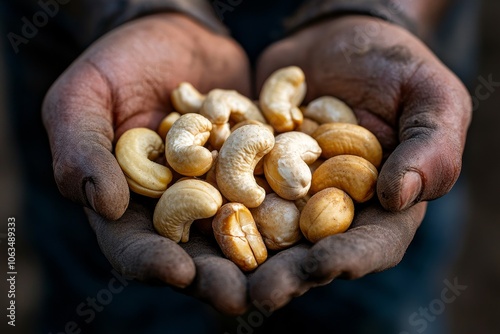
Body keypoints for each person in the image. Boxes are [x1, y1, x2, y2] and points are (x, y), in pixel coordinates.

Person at [1, 0, 476, 333]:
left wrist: (378, 10)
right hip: (86, 23)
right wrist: (135, 8)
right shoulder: (220, 152)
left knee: (378, 305)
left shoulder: (278, 146)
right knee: (111, 297)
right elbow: (221, 176)